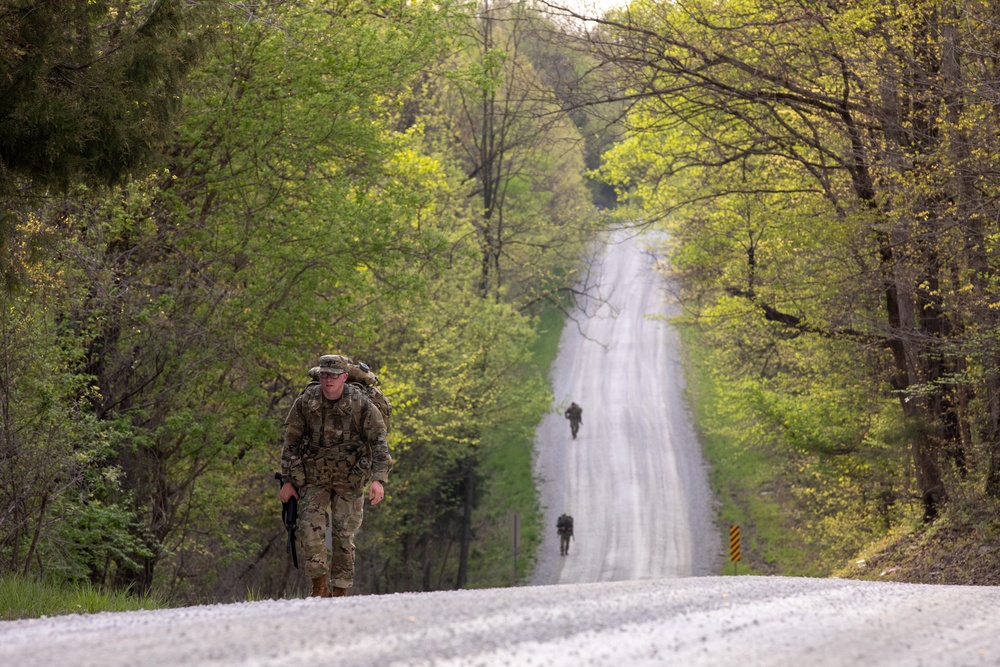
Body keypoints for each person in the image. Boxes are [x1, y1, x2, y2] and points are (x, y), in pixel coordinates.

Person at [279, 354, 392, 598]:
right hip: (314, 477)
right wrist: (288, 481)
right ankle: (319, 589)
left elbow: (379, 442)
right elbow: (291, 441)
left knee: (343, 534)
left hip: (349, 478)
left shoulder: (361, 404)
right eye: (324, 375)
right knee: (310, 530)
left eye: (333, 375)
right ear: (319, 376)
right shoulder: (307, 401)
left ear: (344, 377)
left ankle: (340, 591)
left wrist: (378, 479)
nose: (328, 380)